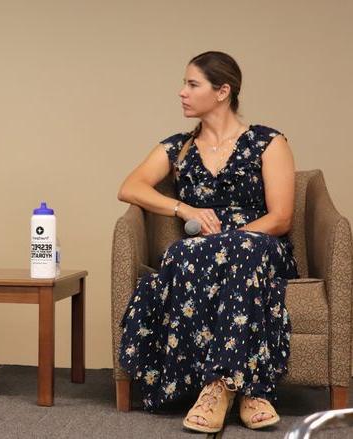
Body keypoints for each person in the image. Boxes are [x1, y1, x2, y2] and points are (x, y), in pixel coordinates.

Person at [117, 51, 297, 432]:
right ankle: (247, 391)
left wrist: (234, 237)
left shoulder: (269, 142)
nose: (182, 92)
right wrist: (182, 208)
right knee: (181, 253)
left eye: (192, 84)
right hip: (202, 248)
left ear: (222, 91)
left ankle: (218, 387)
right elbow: (129, 187)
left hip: (258, 242)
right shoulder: (177, 147)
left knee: (244, 250)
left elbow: (281, 218)